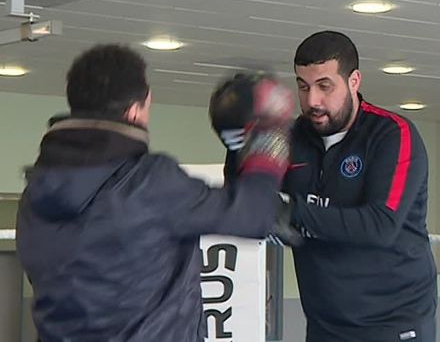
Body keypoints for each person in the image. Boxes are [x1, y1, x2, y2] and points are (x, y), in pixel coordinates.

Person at [16, 44, 300, 342]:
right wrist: (269, 137)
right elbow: (252, 213)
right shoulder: (148, 184)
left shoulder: (36, 194)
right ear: (137, 107)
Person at [218, 31, 438, 342]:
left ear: (354, 81)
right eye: (303, 86)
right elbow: (245, 202)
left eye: (325, 86)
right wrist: (238, 139)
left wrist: (291, 210)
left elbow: (380, 225)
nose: (312, 101)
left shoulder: (392, 135)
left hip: (394, 324)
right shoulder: (288, 138)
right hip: (326, 326)